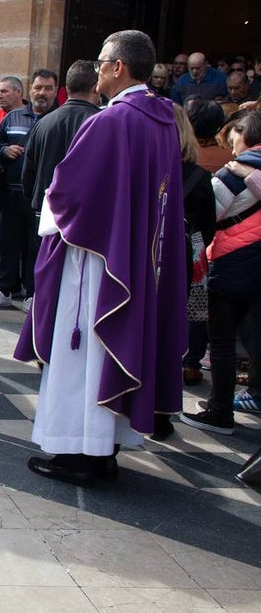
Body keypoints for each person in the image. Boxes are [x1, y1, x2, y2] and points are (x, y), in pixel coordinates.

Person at [18, 29, 186, 486]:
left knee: (84, 355)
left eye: (100, 61)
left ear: (117, 67)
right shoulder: (163, 120)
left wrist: (50, 209)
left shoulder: (109, 122)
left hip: (96, 266)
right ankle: (105, 449)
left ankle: (81, 455)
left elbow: (66, 194)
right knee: (106, 354)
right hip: (133, 262)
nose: (96, 69)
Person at [182, 113, 261, 435]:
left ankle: (219, 410)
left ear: (243, 134)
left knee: (223, 342)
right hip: (253, 264)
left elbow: (208, 212)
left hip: (231, 262)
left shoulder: (236, 172)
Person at [0, 70, 56, 312]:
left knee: (35, 246)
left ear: (55, 90)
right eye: (38, 88)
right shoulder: (12, 118)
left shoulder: (58, 118)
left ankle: (31, 294)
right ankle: (5, 290)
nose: (42, 93)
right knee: (7, 243)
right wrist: (4, 150)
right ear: (29, 90)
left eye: (47, 88)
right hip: (11, 193)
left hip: (43, 197)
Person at [171, 104, 217, 394]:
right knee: (196, 307)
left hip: (156, 245)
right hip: (193, 246)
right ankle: (190, 362)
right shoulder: (199, 176)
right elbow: (209, 224)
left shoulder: (149, 168)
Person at [21, 60, 100, 216]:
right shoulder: (102, 122)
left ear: (66, 88)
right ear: (96, 88)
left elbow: (28, 173)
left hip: (45, 210)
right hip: (83, 213)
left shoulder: (43, 122)